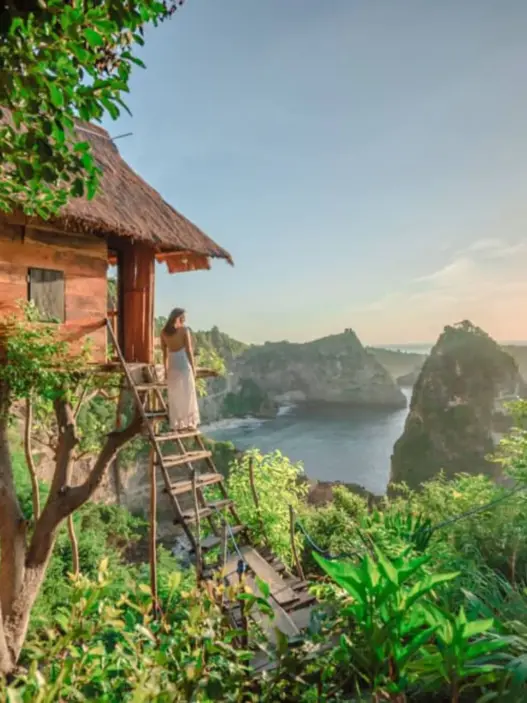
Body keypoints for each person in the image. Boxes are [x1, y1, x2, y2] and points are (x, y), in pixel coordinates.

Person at [160, 307, 200, 432]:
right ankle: (190, 423)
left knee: (175, 395)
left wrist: (166, 370)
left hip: (172, 365)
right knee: (188, 393)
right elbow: (189, 350)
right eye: (184, 317)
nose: (185, 320)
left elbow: (164, 354)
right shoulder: (184, 330)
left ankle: (178, 423)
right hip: (183, 363)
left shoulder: (163, 333)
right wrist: (193, 367)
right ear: (179, 318)